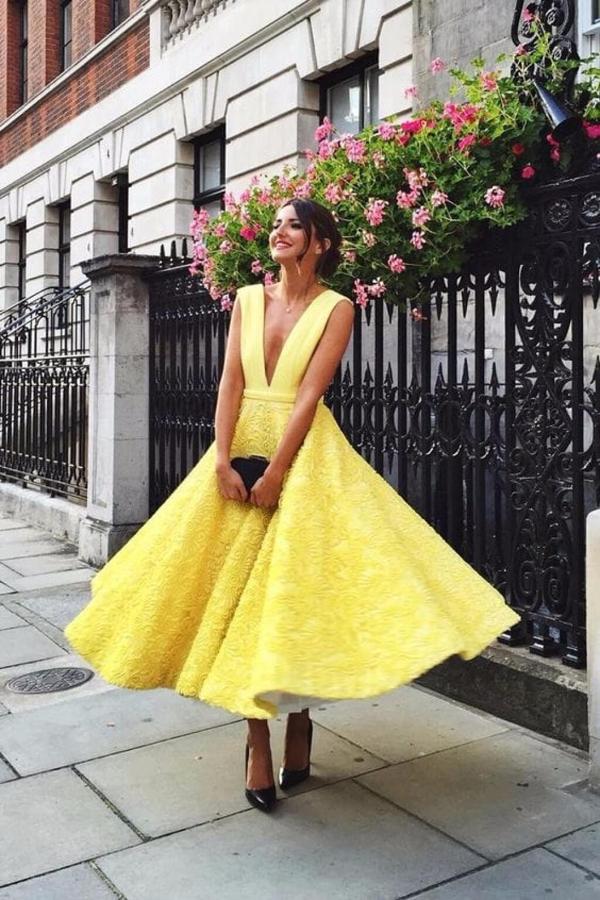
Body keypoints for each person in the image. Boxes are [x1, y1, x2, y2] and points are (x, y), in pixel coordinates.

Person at [64, 198, 521, 814]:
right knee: (230, 600)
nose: (278, 232)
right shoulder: (249, 300)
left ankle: (299, 719)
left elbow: (310, 393)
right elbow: (229, 382)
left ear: (319, 242)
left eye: (293, 224)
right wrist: (221, 458)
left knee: (292, 592)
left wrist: (278, 470)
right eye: (276, 224)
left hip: (301, 455)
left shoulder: (338, 308)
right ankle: (256, 740)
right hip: (237, 444)